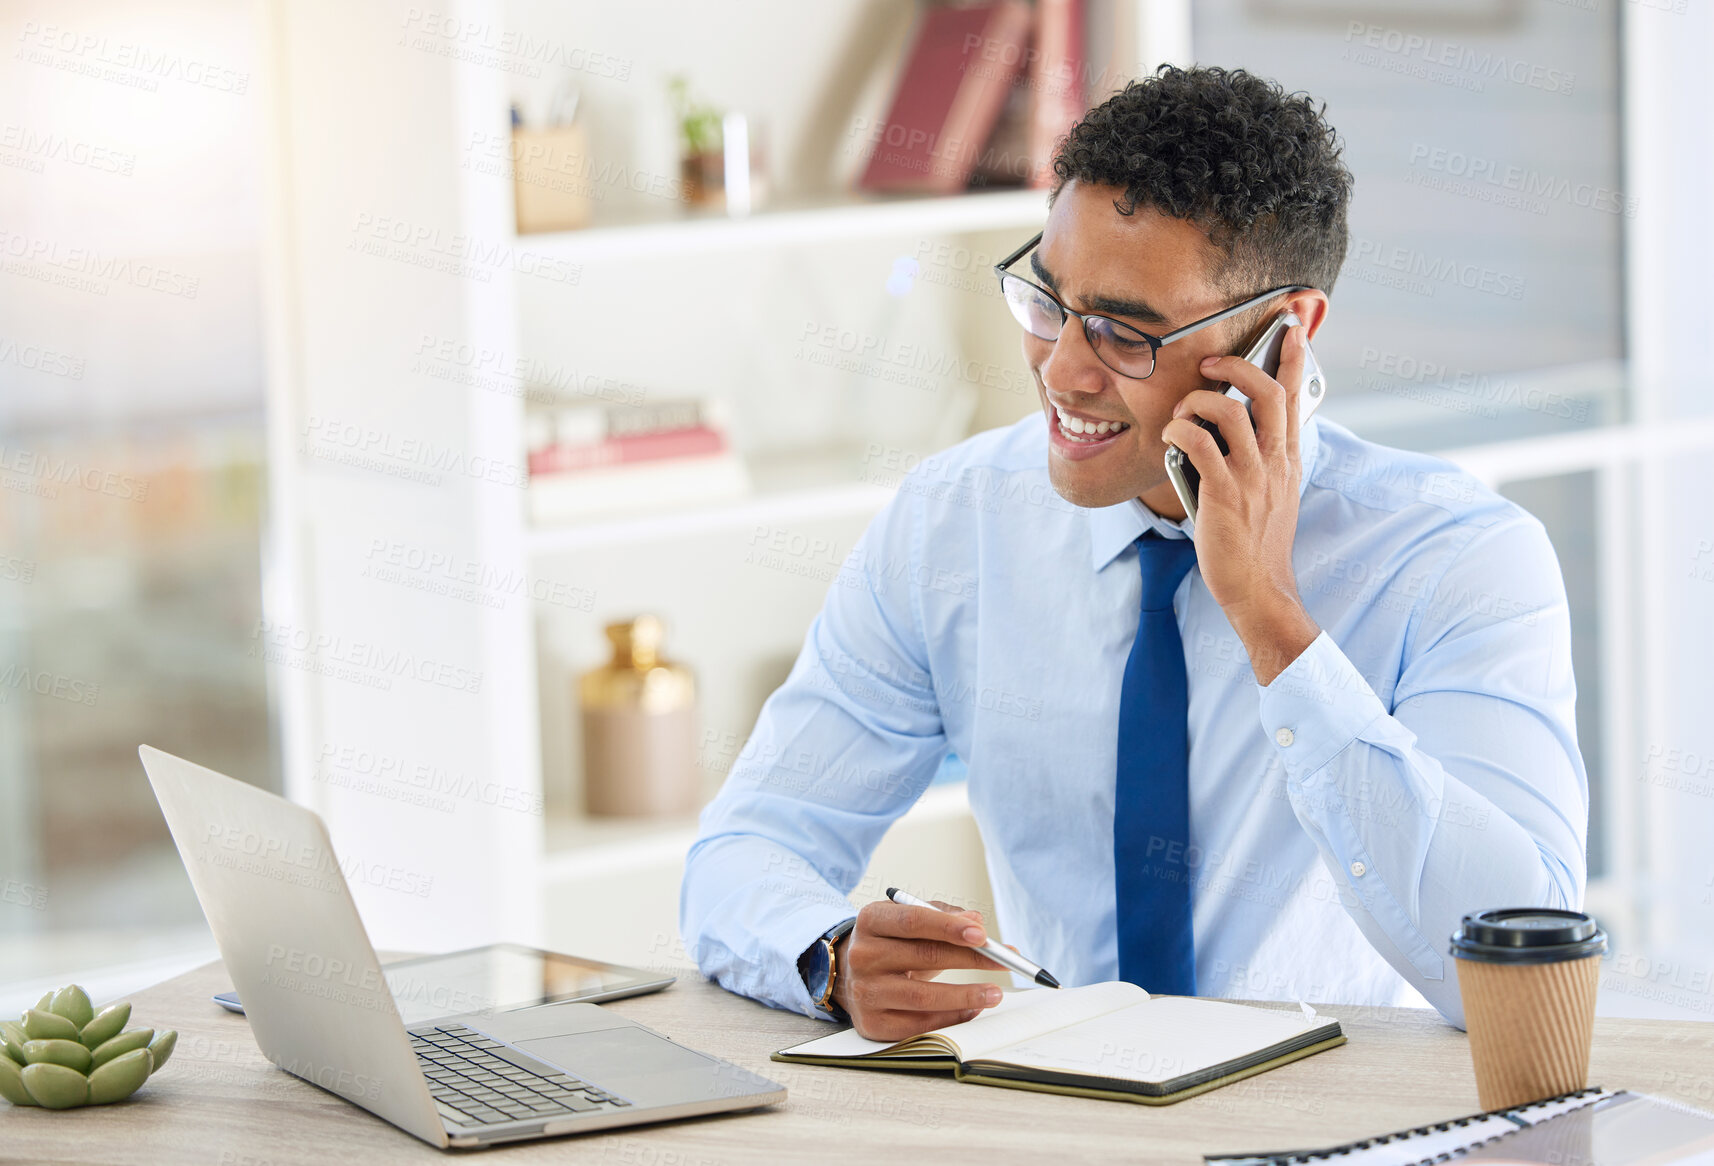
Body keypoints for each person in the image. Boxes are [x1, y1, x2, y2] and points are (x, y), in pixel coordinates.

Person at [680, 65, 1587, 1041]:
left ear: (1289, 331)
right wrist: (831, 957)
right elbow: (745, 847)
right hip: (1055, 1113)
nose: (1061, 369)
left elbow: (1515, 965)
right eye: (1049, 301)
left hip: (1341, 1123)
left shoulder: (1458, 559)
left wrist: (1270, 616)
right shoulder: (952, 525)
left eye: (1125, 332)